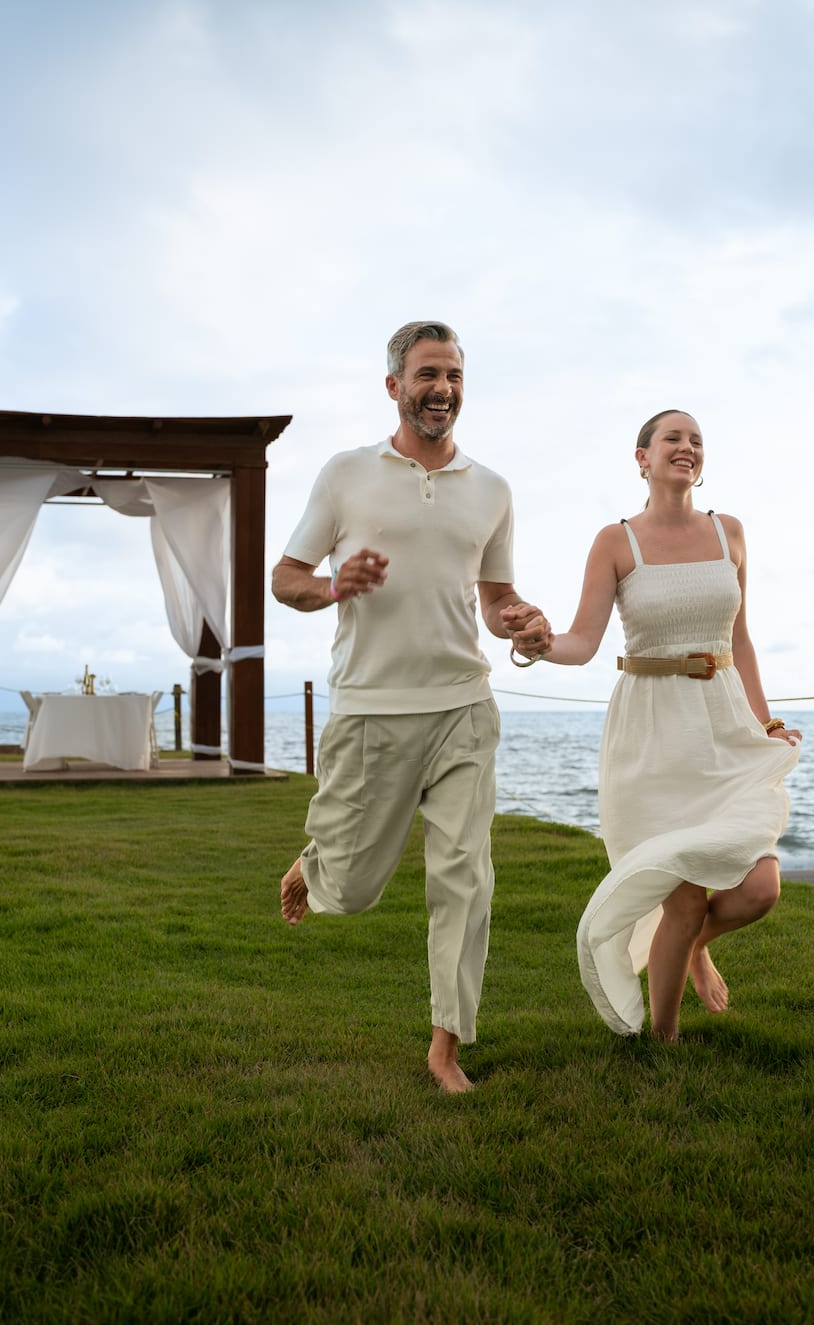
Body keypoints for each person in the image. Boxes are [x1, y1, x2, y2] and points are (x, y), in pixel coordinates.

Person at [271, 320, 549, 1093]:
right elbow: (285, 577)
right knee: (354, 890)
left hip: (464, 704)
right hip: (372, 709)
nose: (443, 389)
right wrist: (333, 585)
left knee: (466, 877)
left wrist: (522, 621)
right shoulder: (345, 475)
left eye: (455, 375)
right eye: (428, 374)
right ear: (394, 385)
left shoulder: (492, 490)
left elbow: (495, 599)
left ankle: (445, 1046)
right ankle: (317, 862)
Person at [516, 409, 802, 1040]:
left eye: (696, 440)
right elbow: (583, 642)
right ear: (641, 457)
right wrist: (540, 644)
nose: (687, 447)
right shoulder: (616, 542)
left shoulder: (730, 532)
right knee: (682, 895)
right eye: (672, 438)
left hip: (723, 726)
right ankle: (664, 1041)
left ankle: (695, 946)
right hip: (649, 735)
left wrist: (767, 722)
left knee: (758, 887)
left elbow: (742, 640)